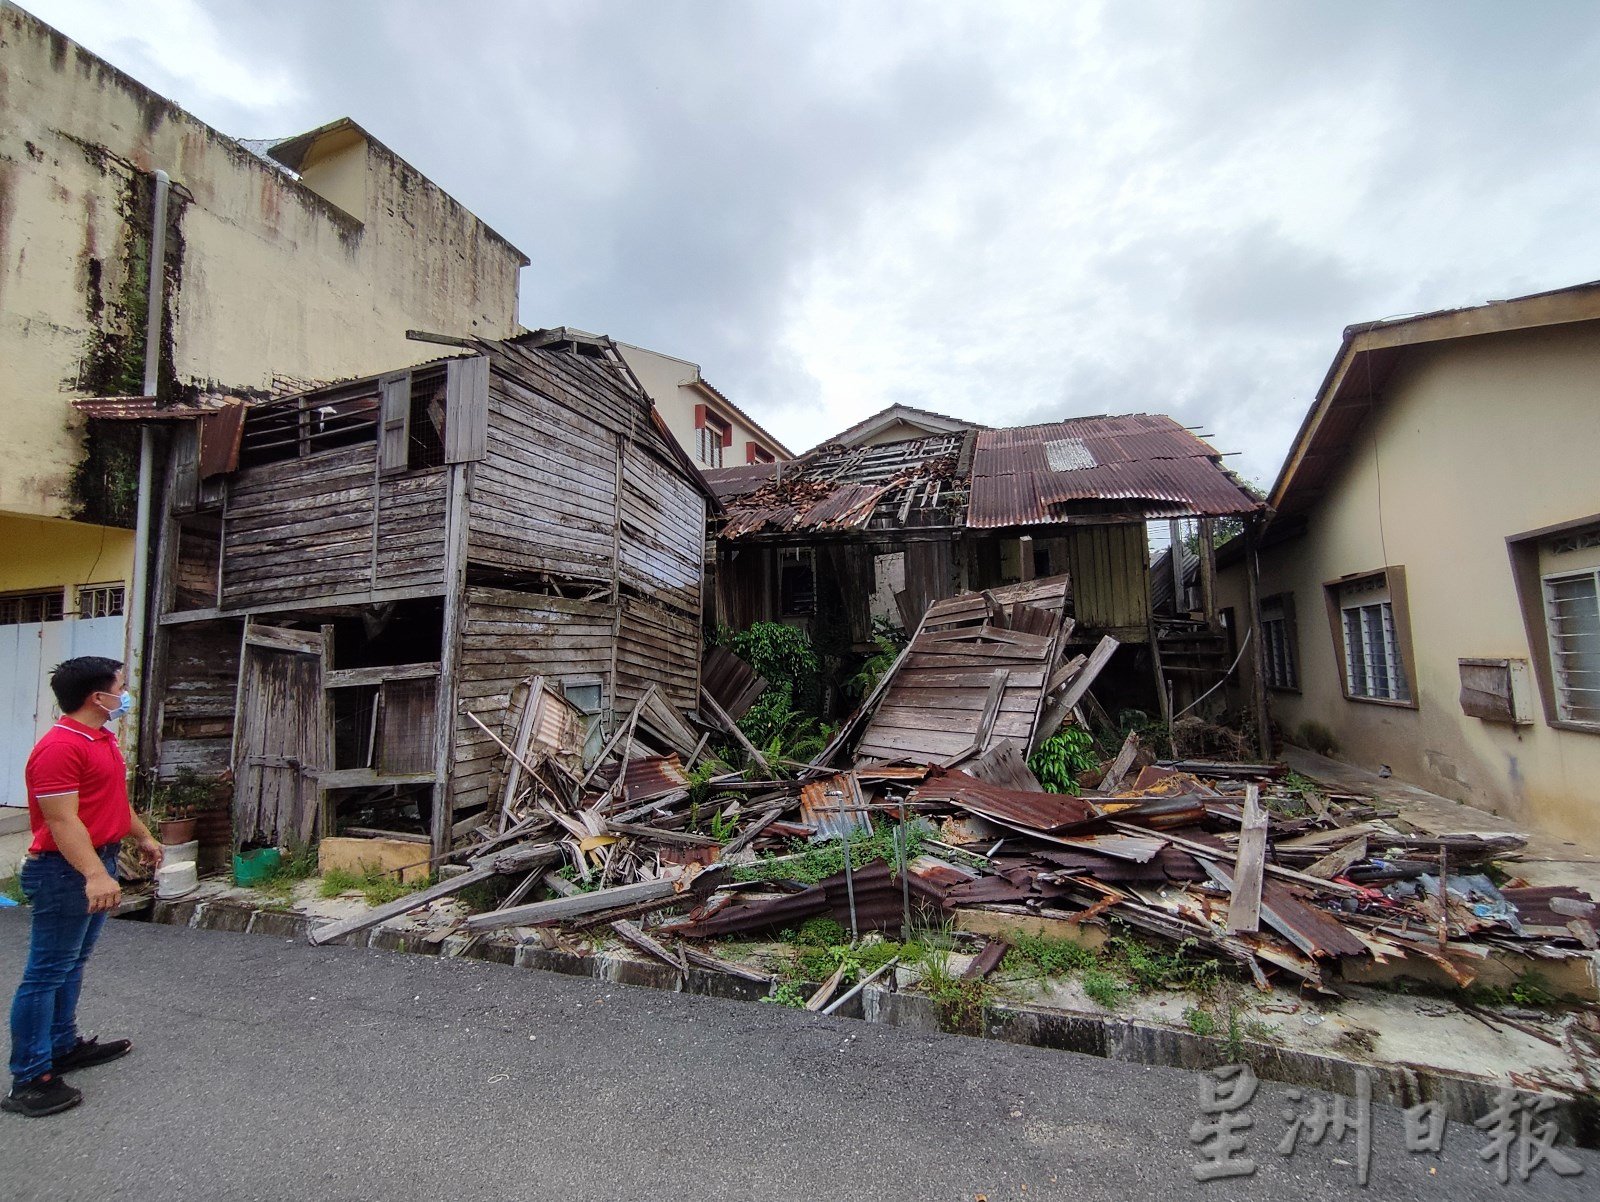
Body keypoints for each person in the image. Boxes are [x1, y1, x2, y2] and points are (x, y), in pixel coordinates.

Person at [4, 657, 161, 1118]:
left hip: (99, 856)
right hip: (64, 869)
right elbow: (61, 819)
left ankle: (62, 1044)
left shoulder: (101, 738)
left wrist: (143, 836)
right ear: (99, 697)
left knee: (74, 962)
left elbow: (112, 799)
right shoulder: (59, 747)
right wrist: (95, 874)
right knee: (46, 971)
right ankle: (29, 1078)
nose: (125, 694)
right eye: (121, 687)